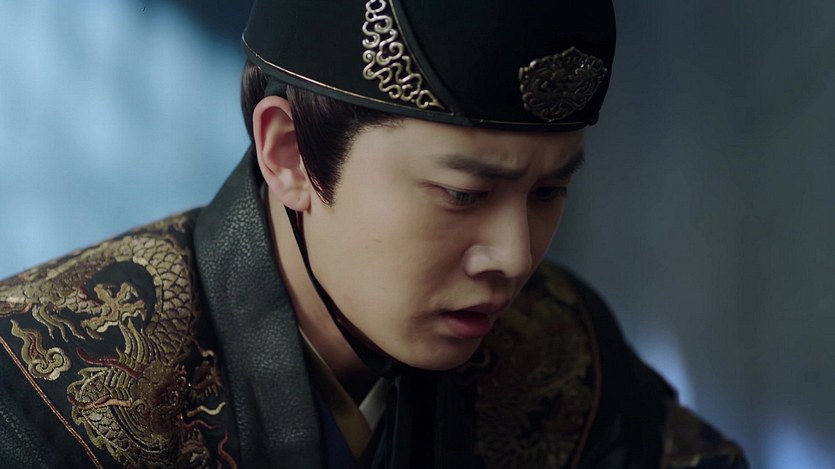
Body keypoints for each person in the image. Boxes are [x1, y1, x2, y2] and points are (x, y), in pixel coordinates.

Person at [0, 0, 748, 467]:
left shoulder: (562, 350)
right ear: (288, 155)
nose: (515, 257)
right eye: (463, 193)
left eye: (548, 191)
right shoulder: (42, 395)